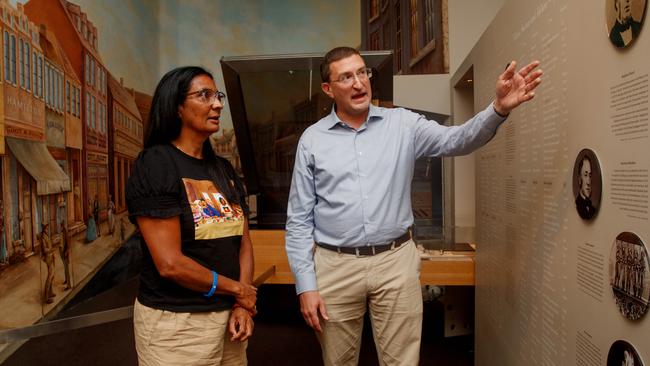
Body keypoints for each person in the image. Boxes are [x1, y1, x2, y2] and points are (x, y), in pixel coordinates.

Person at [285, 46, 542, 366]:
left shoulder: (402, 124)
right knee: (337, 361)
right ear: (328, 89)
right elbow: (297, 221)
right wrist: (305, 286)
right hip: (335, 266)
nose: (358, 83)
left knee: (402, 362)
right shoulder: (312, 140)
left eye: (362, 72)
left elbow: (457, 139)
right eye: (346, 77)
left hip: (395, 262)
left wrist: (498, 109)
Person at [125, 66, 256, 366]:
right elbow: (170, 264)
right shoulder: (157, 164)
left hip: (229, 321)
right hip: (176, 328)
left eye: (218, 95)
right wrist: (240, 290)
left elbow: (243, 243)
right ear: (177, 107)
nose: (218, 104)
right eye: (204, 95)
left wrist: (241, 305)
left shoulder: (222, 169)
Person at [575, 155, 596, 220]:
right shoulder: (576, 205)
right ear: (579, 179)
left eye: (590, 175)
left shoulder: (593, 209)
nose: (588, 182)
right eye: (585, 175)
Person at [39, 223, 56, 304]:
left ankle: (51, 292)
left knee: (52, 276)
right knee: (50, 276)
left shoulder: (46, 235)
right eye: (46, 228)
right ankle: (46, 297)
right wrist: (51, 250)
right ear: (44, 229)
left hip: (51, 256)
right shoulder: (42, 237)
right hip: (48, 257)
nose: (47, 229)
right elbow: (45, 250)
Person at [59, 223, 72, 290]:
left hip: (64, 253)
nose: (60, 228)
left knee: (66, 269)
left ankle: (69, 285)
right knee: (65, 267)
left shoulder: (65, 234)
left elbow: (68, 245)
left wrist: (66, 252)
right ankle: (66, 280)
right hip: (61, 251)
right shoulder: (61, 233)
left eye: (60, 226)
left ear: (63, 227)